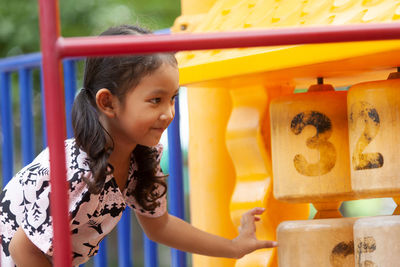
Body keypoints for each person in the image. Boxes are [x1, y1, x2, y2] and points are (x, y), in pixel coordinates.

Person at [0, 24, 277, 267]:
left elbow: (161, 225)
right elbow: (22, 249)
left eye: (172, 99)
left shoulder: (139, 158)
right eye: (155, 100)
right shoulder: (76, 172)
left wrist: (234, 247)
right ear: (108, 102)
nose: (169, 112)